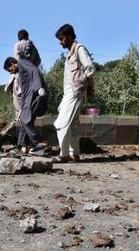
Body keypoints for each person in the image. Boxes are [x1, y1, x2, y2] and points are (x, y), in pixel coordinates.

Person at [53, 24, 94, 162]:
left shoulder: (79, 49)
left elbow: (90, 68)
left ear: (70, 36)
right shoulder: (70, 53)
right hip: (70, 92)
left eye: (62, 38)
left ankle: (63, 154)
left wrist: (81, 84)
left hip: (75, 92)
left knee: (61, 122)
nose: (60, 42)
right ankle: (74, 153)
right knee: (72, 124)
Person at [3, 57, 47, 154]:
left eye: (9, 70)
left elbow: (34, 71)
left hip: (36, 96)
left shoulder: (22, 62)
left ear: (12, 63)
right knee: (25, 120)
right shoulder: (20, 72)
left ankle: (40, 142)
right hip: (29, 98)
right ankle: (23, 145)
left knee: (24, 119)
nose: (10, 72)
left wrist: (39, 87)